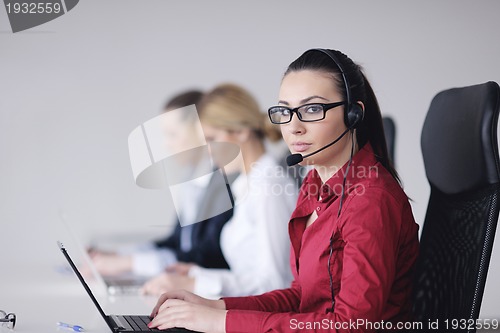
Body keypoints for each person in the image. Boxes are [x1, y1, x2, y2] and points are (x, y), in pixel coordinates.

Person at [147, 49, 420, 333]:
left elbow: (350, 325)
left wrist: (221, 323)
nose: (293, 127)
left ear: (353, 115)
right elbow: (301, 296)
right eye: (285, 111)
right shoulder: (313, 187)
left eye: (312, 109)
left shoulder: (370, 200)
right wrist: (216, 307)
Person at [141, 83, 297, 299]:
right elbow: (248, 273)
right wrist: (196, 273)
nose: (206, 151)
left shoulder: (269, 187)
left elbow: (276, 283)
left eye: (212, 139)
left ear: (241, 131)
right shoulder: (247, 185)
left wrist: (195, 282)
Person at [88, 90, 235, 278]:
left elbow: (206, 257)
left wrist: (129, 263)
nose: (167, 145)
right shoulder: (192, 180)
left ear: (201, 131)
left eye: (172, 134)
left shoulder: (225, 184)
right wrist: (119, 255)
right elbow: (176, 242)